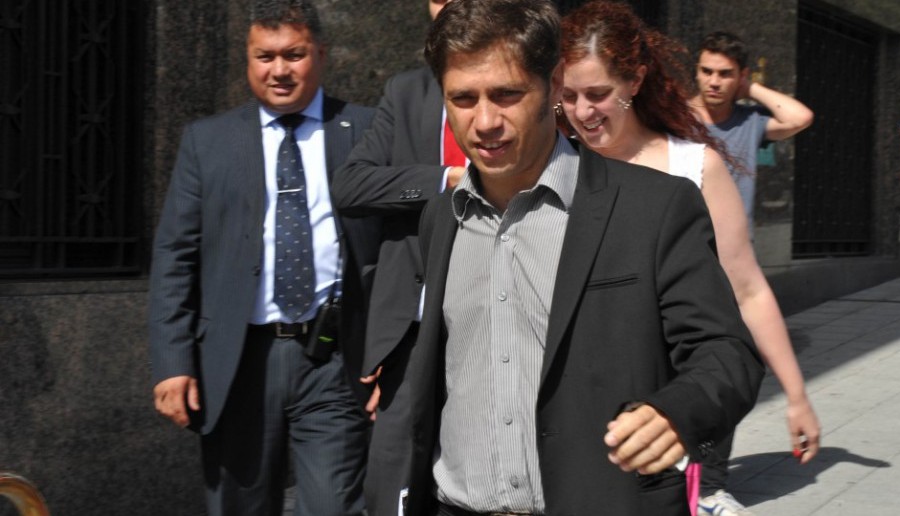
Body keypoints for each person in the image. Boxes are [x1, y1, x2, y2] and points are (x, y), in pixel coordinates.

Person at [380, 0, 765, 514]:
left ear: (555, 83)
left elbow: (727, 352)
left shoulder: (654, 207)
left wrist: (677, 411)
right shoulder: (441, 218)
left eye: (507, 94)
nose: (485, 121)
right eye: (463, 99)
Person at [559, 4, 821, 516]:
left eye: (597, 94)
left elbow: (746, 290)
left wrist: (796, 396)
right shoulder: (550, 165)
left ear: (635, 81)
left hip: (657, 415)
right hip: (563, 410)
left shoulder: (693, 167)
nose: (583, 111)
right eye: (568, 96)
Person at [148, 1, 379, 514]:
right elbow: (175, 256)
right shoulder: (208, 142)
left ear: (321, 54)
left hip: (334, 359)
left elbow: (398, 250)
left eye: (294, 55)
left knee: (334, 506)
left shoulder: (367, 129)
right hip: (238, 362)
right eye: (265, 56)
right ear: (248, 59)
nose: (279, 70)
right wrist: (172, 363)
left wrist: (393, 354)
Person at [332, 1, 464, 515]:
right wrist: (445, 180)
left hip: (497, 321)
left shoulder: (530, 92)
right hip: (412, 330)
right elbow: (351, 185)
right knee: (393, 482)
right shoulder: (407, 92)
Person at [689, 31, 814, 227]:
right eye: (706, 71)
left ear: (742, 75)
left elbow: (801, 118)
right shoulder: (674, 118)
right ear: (696, 71)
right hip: (684, 241)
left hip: (736, 242)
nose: (714, 82)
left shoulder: (750, 120)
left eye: (725, 74)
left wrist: (749, 88)